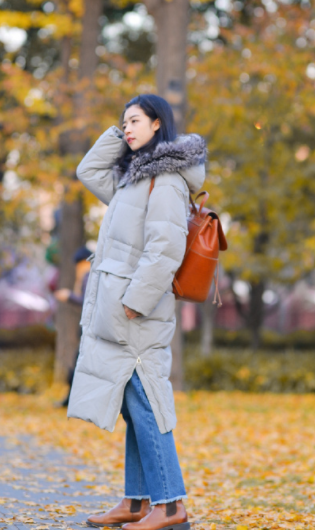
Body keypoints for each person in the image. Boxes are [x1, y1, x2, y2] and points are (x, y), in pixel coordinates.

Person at [67, 94, 207, 530]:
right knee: (132, 404)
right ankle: (136, 500)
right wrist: (117, 136)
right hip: (119, 308)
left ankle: (170, 506)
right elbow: (87, 171)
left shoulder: (163, 181)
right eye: (123, 123)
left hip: (137, 312)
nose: (126, 128)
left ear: (157, 124)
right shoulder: (132, 179)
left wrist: (135, 302)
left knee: (146, 401)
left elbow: (165, 249)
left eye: (134, 121)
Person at [54, 245, 93, 407]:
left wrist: (68, 296)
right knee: (80, 366)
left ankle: (71, 401)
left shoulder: (89, 276)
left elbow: (87, 302)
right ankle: (73, 400)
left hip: (90, 331)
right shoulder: (90, 275)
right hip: (90, 331)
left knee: (78, 367)